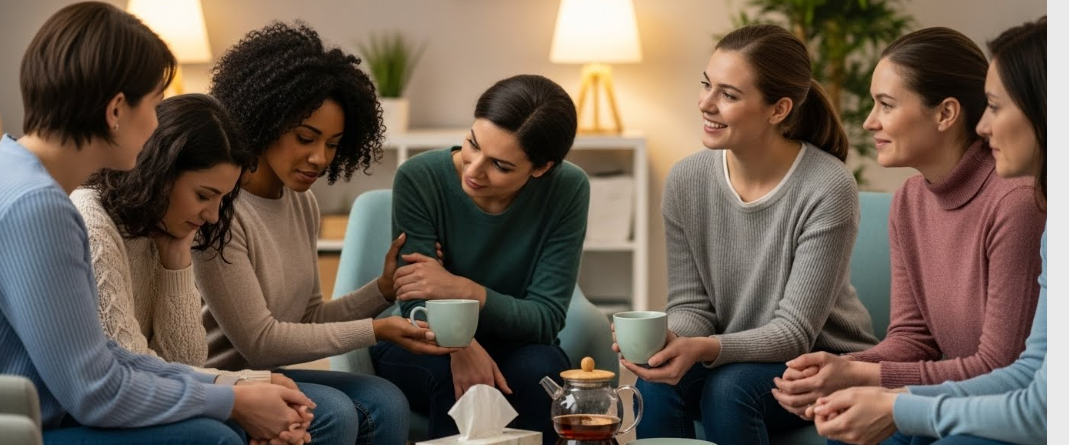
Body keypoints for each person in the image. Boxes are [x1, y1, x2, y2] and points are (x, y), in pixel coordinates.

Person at [0, 3, 314, 444]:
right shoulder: (41, 209)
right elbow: (95, 391)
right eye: (156, 103)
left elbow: (107, 356)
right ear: (116, 110)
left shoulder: (15, 172)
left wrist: (233, 388)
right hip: (31, 427)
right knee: (212, 436)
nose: (157, 123)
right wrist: (232, 402)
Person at [773, 28, 1046, 440]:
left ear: (945, 114)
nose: (869, 122)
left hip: (992, 403)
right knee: (841, 422)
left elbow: (1002, 368)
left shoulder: (1018, 202)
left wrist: (870, 383)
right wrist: (844, 369)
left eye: (886, 104)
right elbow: (913, 338)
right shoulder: (909, 199)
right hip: (957, 392)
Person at [613, 24, 878, 445]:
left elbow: (794, 333)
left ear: (778, 109)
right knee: (656, 384)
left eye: (729, 95)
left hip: (819, 362)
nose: (706, 103)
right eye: (706, 85)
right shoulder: (686, 180)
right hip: (730, 360)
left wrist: (704, 349)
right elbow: (691, 304)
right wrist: (669, 340)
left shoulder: (827, 186)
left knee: (728, 390)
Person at [193, 21, 455, 445]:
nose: (320, 158)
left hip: (269, 372)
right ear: (263, 121)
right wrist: (376, 330)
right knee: (332, 411)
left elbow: (309, 317)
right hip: (222, 378)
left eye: (333, 144)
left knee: (387, 400)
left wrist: (383, 290)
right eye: (305, 138)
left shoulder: (302, 203)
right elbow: (261, 343)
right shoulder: (217, 209)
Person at [74, 93, 366, 444]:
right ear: (160, 174)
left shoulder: (162, 227)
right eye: (203, 195)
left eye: (221, 199)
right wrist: (247, 384)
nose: (213, 216)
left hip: (163, 391)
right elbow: (131, 367)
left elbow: (184, 357)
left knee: (341, 407)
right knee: (312, 415)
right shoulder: (95, 226)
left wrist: (176, 258)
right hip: (97, 409)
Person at [369, 74, 587, 445]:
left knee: (542, 373)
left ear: (541, 168)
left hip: (516, 345)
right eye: (473, 143)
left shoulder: (568, 188)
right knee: (456, 383)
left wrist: (463, 289)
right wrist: (464, 346)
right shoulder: (419, 178)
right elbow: (414, 301)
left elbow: (545, 319)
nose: (473, 170)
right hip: (420, 337)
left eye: (500, 165)